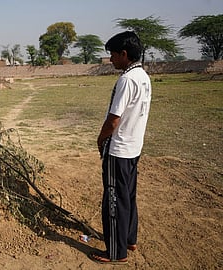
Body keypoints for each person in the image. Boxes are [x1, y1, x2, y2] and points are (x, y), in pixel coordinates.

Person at [91, 31, 152, 265]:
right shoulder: (143, 76)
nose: (111, 60)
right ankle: (129, 239)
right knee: (128, 196)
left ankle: (116, 252)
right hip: (134, 147)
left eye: (113, 55)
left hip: (118, 150)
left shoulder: (127, 79)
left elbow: (114, 119)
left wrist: (100, 139)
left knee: (114, 200)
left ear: (124, 54)